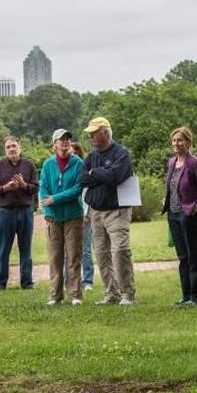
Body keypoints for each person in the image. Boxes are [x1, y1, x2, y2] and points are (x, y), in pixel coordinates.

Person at [80, 117, 136, 306]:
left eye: (94, 133)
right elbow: (82, 179)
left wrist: (94, 173)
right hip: (96, 212)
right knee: (102, 254)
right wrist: (101, 173)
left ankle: (127, 293)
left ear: (105, 132)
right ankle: (111, 294)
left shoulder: (121, 154)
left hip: (117, 212)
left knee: (120, 250)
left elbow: (115, 176)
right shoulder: (92, 156)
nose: (90, 136)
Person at [163, 127, 197, 306]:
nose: (176, 143)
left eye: (180, 140)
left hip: (188, 215)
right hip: (173, 215)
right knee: (183, 256)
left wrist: (196, 208)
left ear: (189, 142)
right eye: (174, 140)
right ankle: (186, 295)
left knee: (194, 256)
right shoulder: (171, 162)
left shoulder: (194, 163)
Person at [40, 129, 85, 306]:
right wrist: (48, 211)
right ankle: (55, 295)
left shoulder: (78, 163)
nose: (65, 142)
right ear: (54, 144)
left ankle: (75, 294)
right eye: (61, 140)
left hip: (73, 216)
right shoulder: (47, 165)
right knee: (54, 257)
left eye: (67, 139)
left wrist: (55, 199)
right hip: (53, 217)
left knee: (74, 255)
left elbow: (77, 189)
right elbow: (43, 189)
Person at [0, 136, 38, 290]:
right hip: (5, 212)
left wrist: (23, 185)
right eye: (8, 147)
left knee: (26, 248)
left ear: (19, 147)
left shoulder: (29, 166)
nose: (11, 149)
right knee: (3, 248)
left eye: (14, 146)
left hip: (25, 211)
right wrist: (5, 188)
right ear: (5, 150)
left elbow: (36, 188)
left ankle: (27, 282)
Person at [70, 141, 95, 290]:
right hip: (69, 215)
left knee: (85, 249)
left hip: (84, 215)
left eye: (74, 153)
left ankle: (87, 281)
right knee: (69, 250)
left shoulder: (84, 170)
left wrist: (86, 213)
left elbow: (87, 194)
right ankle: (71, 279)